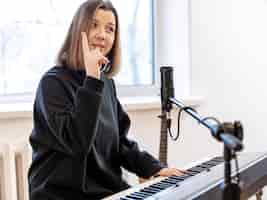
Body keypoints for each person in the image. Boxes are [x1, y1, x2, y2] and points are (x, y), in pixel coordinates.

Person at [28, 0, 183, 199]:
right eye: (94, 25)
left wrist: (154, 168)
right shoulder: (53, 83)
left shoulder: (105, 84)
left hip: (106, 191)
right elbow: (77, 143)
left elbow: (120, 144)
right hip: (62, 194)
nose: (102, 35)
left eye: (110, 29)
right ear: (78, 31)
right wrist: (92, 79)